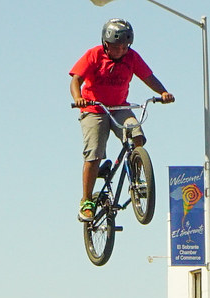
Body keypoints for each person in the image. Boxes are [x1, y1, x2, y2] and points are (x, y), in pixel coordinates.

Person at [69, 18, 175, 221]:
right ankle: (86, 201)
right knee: (94, 153)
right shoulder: (94, 55)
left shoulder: (132, 57)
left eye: (125, 46)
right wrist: (78, 99)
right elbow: (76, 80)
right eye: (117, 47)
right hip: (94, 108)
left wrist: (163, 92)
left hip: (119, 107)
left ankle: (136, 181)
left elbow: (148, 77)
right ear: (106, 44)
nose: (121, 51)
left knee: (136, 133)